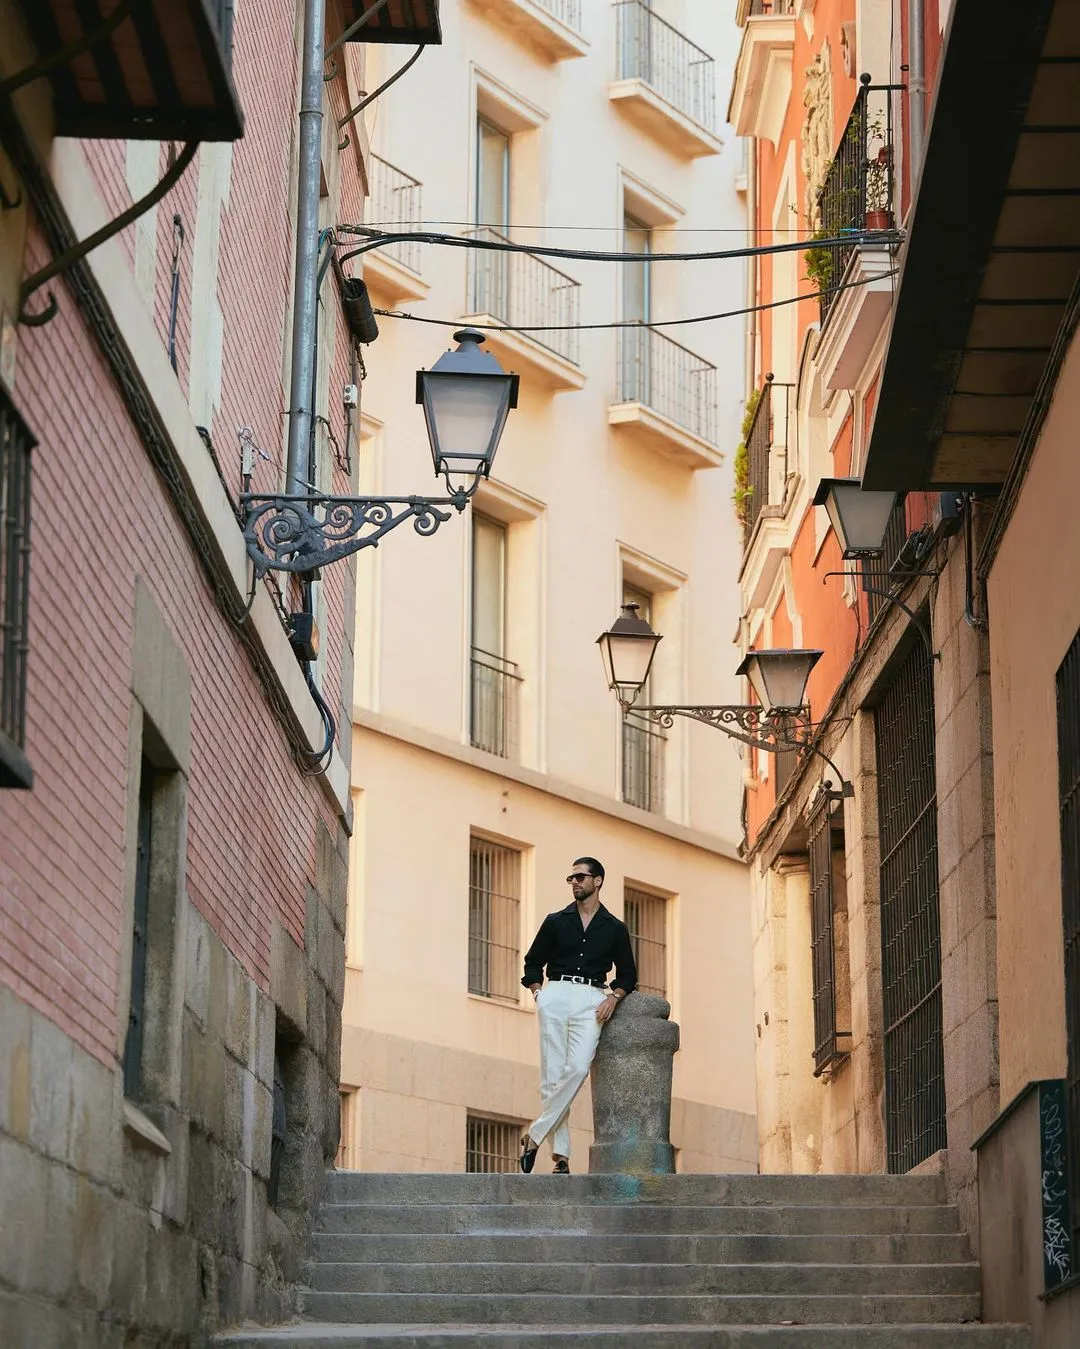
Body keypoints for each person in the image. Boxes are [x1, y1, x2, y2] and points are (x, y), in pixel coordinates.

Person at [519, 856, 637, 1174]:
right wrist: (539, 994)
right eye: (571, 878)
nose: (575, 883)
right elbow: (532, 963)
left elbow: (628, 974)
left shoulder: (614, 928)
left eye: (581, 877)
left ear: (597, 881)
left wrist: (614, 997)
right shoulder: (556, 921)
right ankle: (561, 1158)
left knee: (578, 1068)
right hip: (555, 993)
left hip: (591, 1000)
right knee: (553, 1076)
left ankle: (535, 1134)